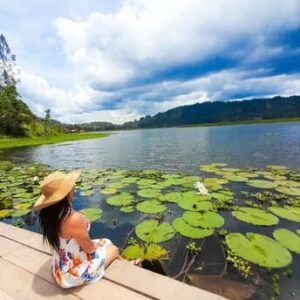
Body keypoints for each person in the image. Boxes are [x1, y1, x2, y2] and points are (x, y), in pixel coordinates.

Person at [33, 170, 140, 289]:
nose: (74, 187)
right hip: (73, 274)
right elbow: (89, 249)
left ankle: (123, 263)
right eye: (70, 186)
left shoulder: (50, 216)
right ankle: (128, 266)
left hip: (59, 268)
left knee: (106, 241)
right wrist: (95, 246)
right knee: (113, 249)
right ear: (66, 193)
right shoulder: (73, 219)